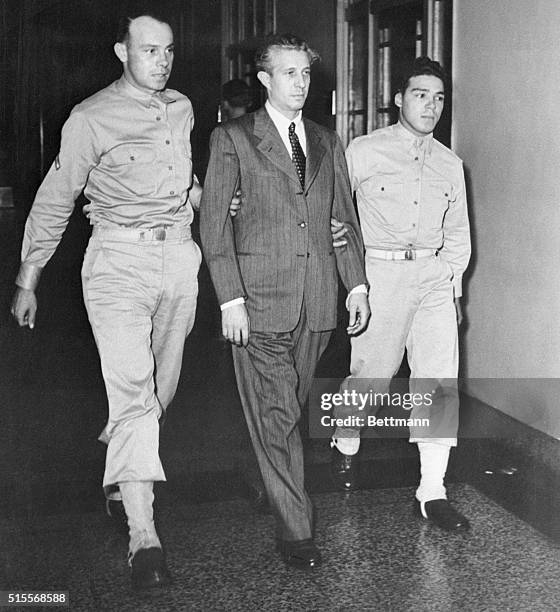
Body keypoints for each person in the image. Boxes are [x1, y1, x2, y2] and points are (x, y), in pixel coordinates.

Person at [11, 11, 202, 589]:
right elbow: (56, 195)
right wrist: (29, 275)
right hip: (117, 262)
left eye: (168, 50)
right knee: (134, 390)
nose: (162, 60)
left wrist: (208, 198)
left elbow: (183, 182)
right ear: (122, 52)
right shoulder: (90, 117)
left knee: (159, 388)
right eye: (149, 50)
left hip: (178, 258)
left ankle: (121, 467)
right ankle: (143, 534)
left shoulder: (183, 108)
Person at [199, 34, 370, 569]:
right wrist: (230, 299)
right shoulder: (233, 138)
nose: (300, 83)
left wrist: (357, 285)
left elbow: (344, 216)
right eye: (289, 73)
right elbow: (212, 227)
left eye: (305, 74)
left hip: (318, 302)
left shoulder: (326, 140)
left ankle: (260, 474)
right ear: (265, 80)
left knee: (288, 412)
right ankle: (297, 531)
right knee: (276, 414)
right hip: (259, 300)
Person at [330, 57, 472, 532]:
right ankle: (346, 439)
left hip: (433, 277)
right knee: (372, 376)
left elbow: (458, 236)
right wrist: (354, 283)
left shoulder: (451, 165)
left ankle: (432, 492)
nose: (430, 106)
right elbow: (338, 218)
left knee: (436, 383)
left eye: (438, 97)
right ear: (398, 99)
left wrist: (452, 287)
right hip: (380, 275)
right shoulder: (364, 152)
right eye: (420, 95)